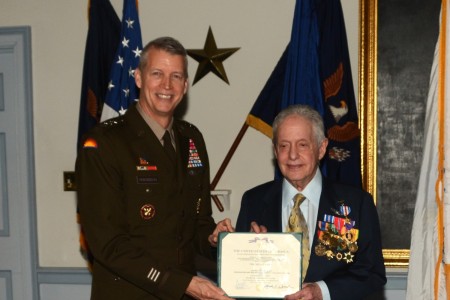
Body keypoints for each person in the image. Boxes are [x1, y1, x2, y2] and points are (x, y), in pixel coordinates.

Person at [76, 37, 235, 300]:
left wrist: (213, 238)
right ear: (138, 78)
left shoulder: (191, 139)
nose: (167, 85)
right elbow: (108, 245)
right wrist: (183, 283)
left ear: (185, 86)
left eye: (176, 76)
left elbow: (198, 222)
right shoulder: (105, 144)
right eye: (157, 74)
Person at [236, 104, 386, 300]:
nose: (292, 155)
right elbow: (238, 276)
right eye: (284, 145)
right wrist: (248, 251)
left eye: (302, 145)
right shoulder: (253, 201)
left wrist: (322, 291)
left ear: (321, 148)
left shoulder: (357, 203)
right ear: (275, 150)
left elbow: (372, 274)